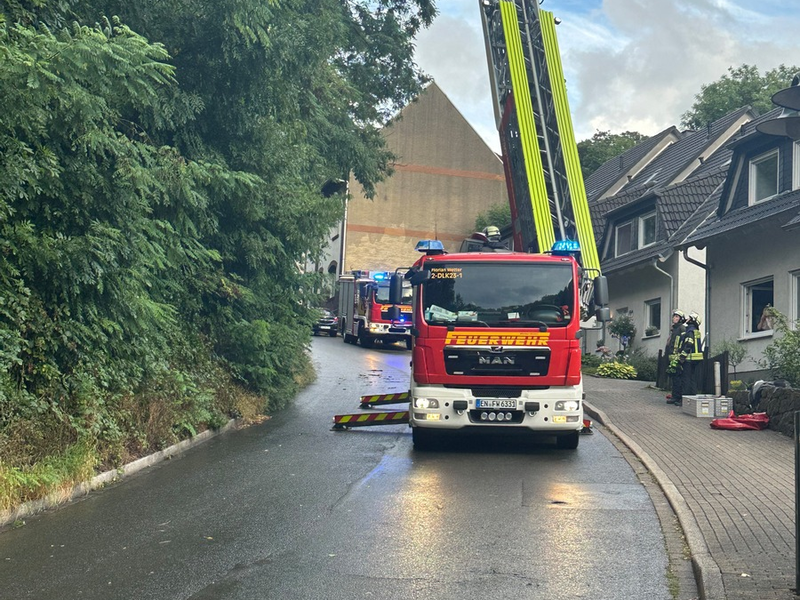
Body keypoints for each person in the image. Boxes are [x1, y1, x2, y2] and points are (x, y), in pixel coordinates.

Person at [671, 311, 703, 407]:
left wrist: (682, 356)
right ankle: (692, 398)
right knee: (692, 379)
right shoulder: (694, 330)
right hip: (695, 359)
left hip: (689, 359)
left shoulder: (690, 331)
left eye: (689, 317)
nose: (687, 318)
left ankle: (685, 400)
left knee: (686, 379)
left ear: (692, 320)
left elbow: (689, 344)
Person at [665, 310, 686, 404]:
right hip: (672, 356)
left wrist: (680, 355)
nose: (675, 318)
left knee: (678, 378)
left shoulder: (681, 329)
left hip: (678, 357)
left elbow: (683, 342)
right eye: (674, 316)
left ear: (681, 319)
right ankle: (674, 396)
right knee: (674, 377)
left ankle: (678, 397)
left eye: (677, 317)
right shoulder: (674, 329)